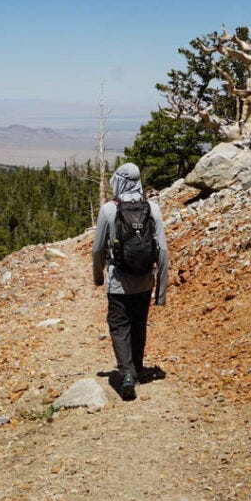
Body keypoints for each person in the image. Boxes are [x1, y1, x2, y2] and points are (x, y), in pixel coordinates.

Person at [91, 162, 168, 401]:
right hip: (145, 280)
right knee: (138, 323)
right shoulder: (152, 208)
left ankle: (126, 373)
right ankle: (137, 367)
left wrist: (98, 276)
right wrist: (161, 291)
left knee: (119, 325)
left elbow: (97, 250)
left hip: (118, 281)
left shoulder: (108, 210)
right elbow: (162, 250)